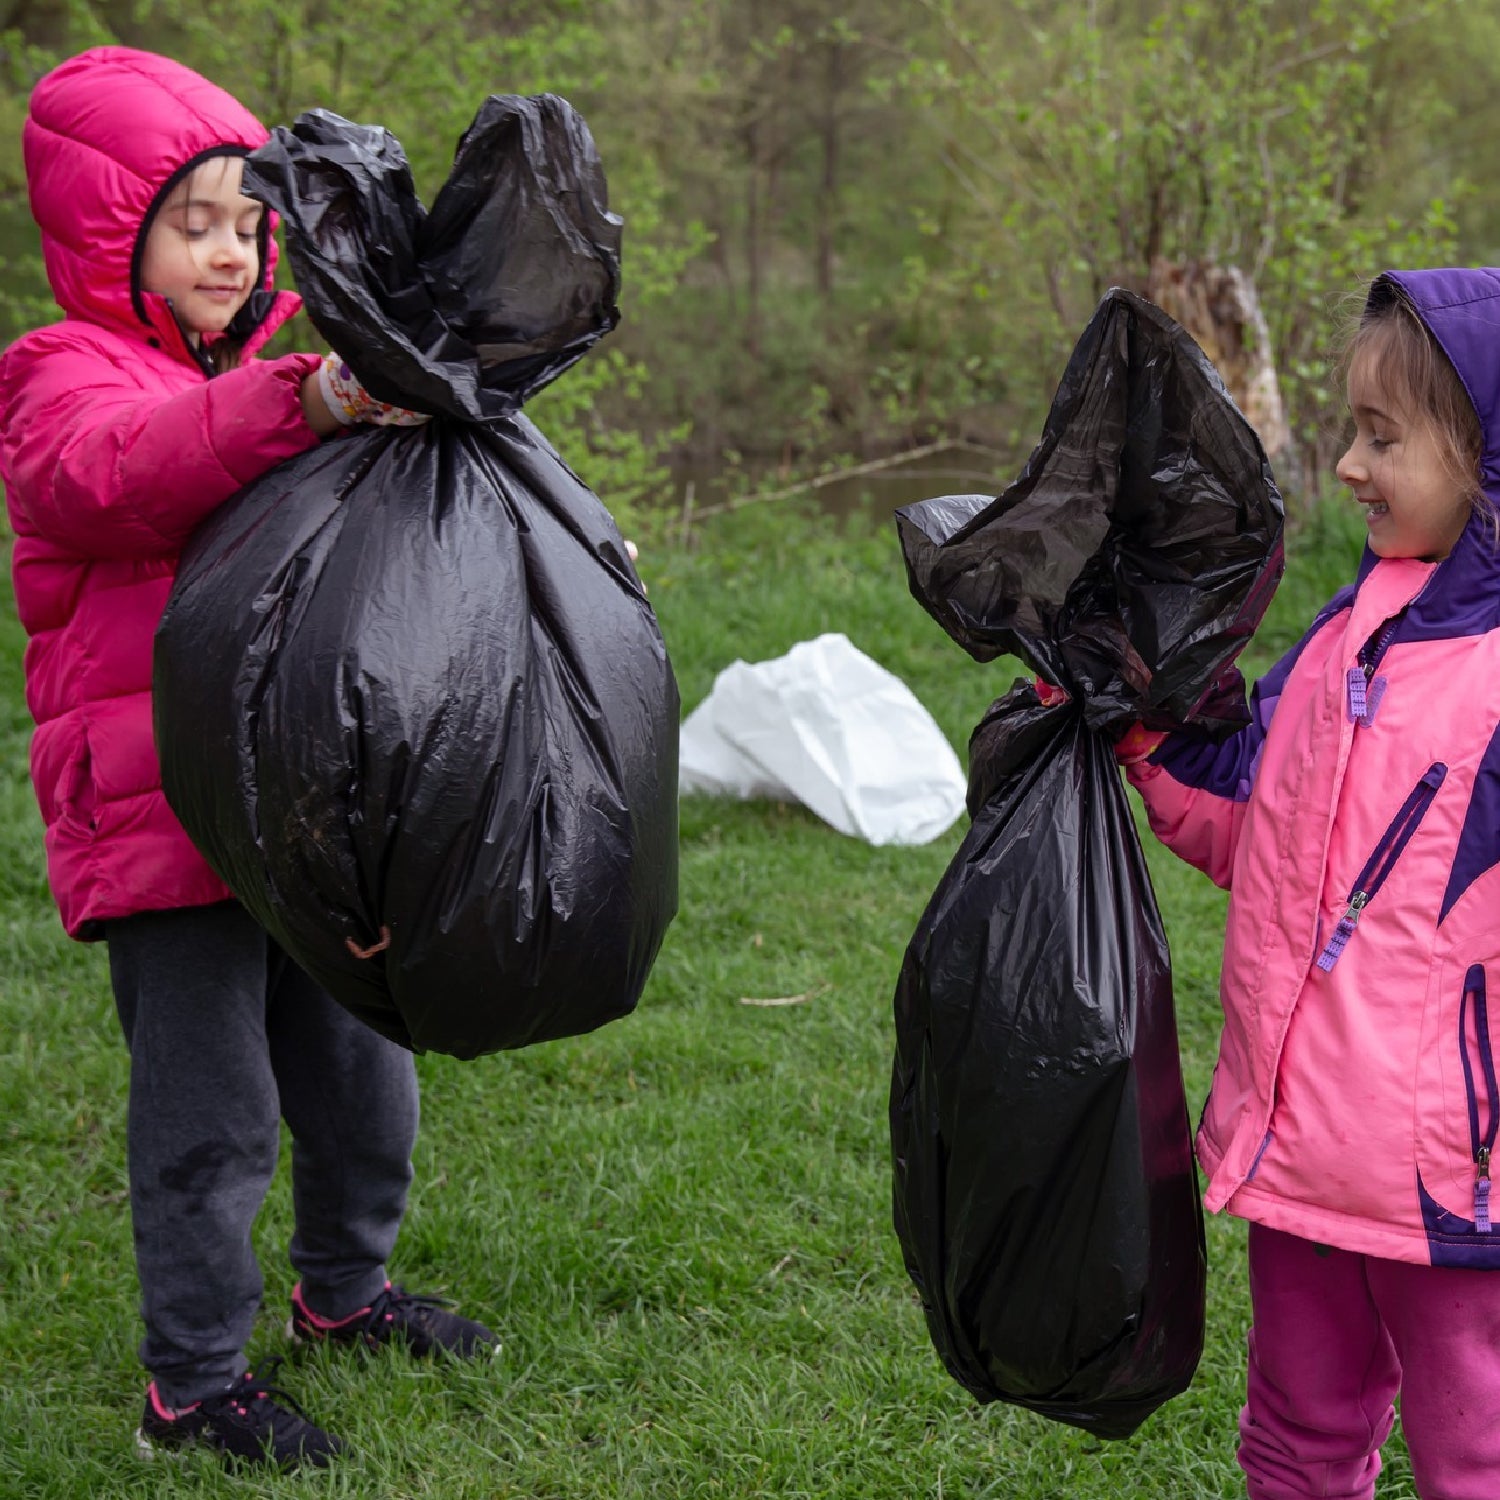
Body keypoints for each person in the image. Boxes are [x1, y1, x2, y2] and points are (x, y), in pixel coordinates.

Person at [0, 46, 496, 1472]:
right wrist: (312, 404)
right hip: (161, 821)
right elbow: (117, 471)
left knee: (362, 1079)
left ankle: (346, 1295)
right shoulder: (61, 377)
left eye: (245, 221)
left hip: (300, 809)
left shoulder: (297, 379)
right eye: (193, 223)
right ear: (115, 236)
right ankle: (195, 1380)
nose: (228, 249)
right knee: (211, 1120)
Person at [1110, 268, 1500, 1498]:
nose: (1346, 464)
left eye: (1383, 438)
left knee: (1475, 1452)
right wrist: (1139, 727)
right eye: (1351, 431)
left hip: (1456, 1189)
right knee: (1294, 1429)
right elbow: (1253, 813)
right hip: (1307, 1149)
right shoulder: (1350, 633)